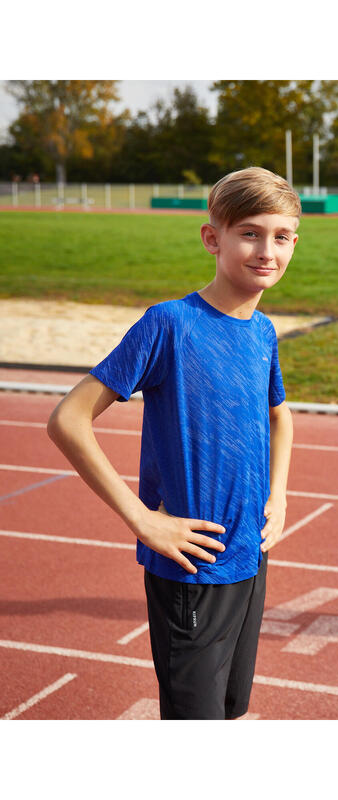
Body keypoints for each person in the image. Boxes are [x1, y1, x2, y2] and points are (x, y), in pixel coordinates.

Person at [47, 166, 299, 716]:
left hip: (249, 556)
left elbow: (281, 417)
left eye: (281, 237)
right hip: (193, 564)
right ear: (213, 237)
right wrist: (143, 519)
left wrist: (277, 497)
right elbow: (68, 418)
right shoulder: (169, 324)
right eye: (250, 232)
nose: (267, 250)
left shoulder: (262, 331)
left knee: (229, 709)